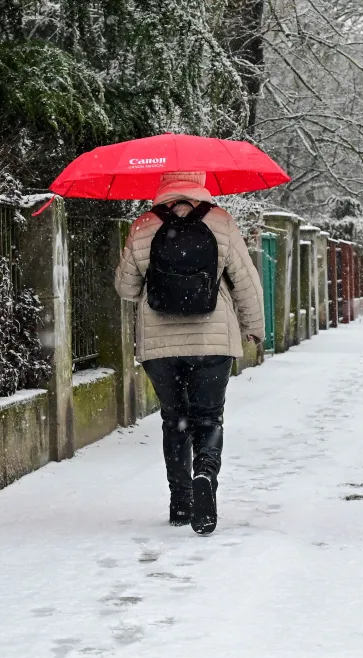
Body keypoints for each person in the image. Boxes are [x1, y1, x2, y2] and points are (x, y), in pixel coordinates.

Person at [115, 171, 265, 535]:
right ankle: (205, 477)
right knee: (209, 418)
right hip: (212, 342)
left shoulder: (144, 225)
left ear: (162, 186)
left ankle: (181, 501)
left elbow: (125, 288)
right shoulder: (222, 222)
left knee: (175, 419)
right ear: (201, 183)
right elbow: (246, 282)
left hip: (160, 346)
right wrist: (254, 328)